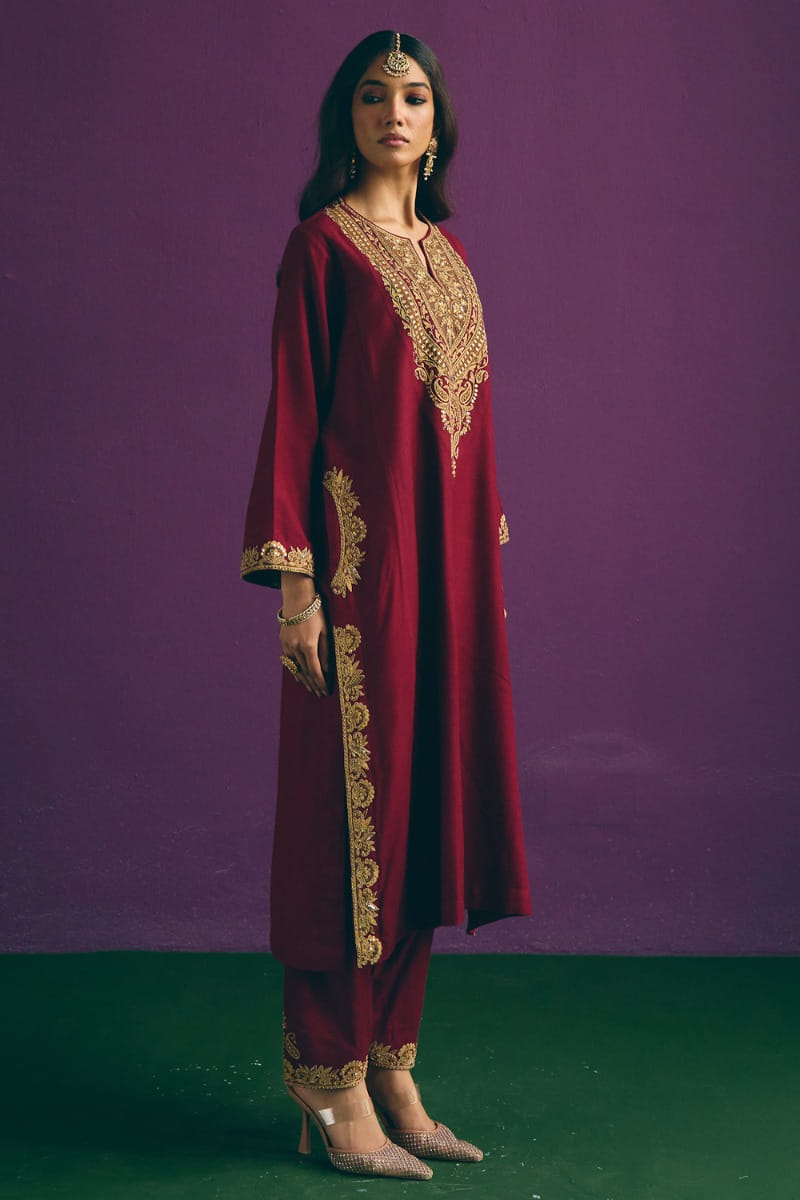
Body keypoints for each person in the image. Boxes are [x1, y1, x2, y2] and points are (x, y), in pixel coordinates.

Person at [241, 29, 532, 1180]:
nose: (393, 113)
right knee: (343, 830)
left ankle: (389, 1065)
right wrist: (297, 590)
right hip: (357, 589)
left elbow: (472, 439)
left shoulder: (447, 257)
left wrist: (481, 577)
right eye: (372, 96)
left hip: (447, 586)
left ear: (436, 122)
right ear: (347, 118)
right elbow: (294, 414)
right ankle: (326, 1081)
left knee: (422, 819)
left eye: (412, 96)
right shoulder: (321, 248)